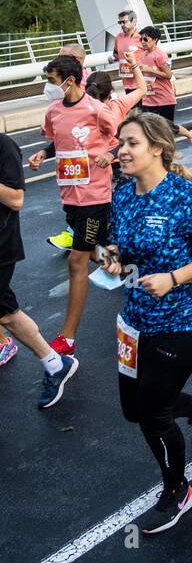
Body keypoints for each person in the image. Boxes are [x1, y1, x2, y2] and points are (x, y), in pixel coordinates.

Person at [104, 114, 192, 533]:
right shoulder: (123, 193)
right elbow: (119, 244)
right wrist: (113, 257)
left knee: (152, 414)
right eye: (120, 143)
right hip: (134, 320)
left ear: (157, 148)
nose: (121, 150)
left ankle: (178, 490)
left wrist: (175, 277)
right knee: (132, 410)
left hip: (183, 320)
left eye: (131, 143)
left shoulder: (184, 197)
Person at [28, 55, 147, 358]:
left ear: (69, 80)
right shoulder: (54, 111)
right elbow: (59, 139)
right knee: (99, 254)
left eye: (52, 80)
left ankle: (66, 338)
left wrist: (112, 153)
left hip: (95, 196)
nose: (48, 87)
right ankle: (142, 282)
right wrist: (43, 153)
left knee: (77, 262)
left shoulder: (97, 109)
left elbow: (125, 139)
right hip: (69, 195)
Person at [0, 130, 81, 405]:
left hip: (1, 247)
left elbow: (15, 199)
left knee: (6, 312)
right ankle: (56, 363)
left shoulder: (4, 145)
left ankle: (55, 362)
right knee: (6, 312)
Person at [113, 8, 143, 94]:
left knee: (142, 107)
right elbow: (115, 54)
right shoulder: (118, 37)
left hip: (140, 82)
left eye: (124, 22)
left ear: (133, 21)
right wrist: (113, 58)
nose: (122, 25)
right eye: (120, 22)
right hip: (126, 82)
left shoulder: (141, 37)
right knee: (133, 108)